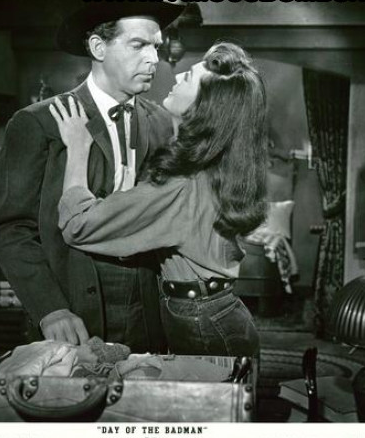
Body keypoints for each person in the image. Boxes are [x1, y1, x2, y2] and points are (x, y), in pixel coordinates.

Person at [0, 1, 184, 353]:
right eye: (138, 45)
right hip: (71, 307)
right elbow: (10, 230)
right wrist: (51, 309)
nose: (153, 59)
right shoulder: (38, 122)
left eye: (156, 46)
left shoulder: (159, 123)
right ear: (98, 47)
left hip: (147, 308)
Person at [52, 42, 268, 356]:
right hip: (217, 314)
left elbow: (78, 226)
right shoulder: (216, 166)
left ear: (204, 106)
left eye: (189, 77)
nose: (177, 76)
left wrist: (77, 148)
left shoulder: (182, 185)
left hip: (203, 324)